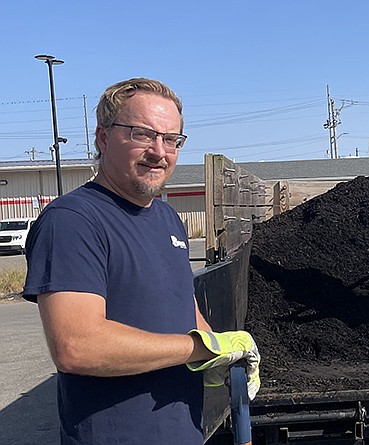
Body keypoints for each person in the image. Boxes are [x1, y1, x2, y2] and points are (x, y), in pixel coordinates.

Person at [23, 78, 259, 445]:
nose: (159, 151)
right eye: (143, 134)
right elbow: (77, 347)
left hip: (183, 431)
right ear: (102, 137)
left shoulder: (167, 219)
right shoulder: (73, 221)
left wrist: (219, 353)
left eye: (171, 140)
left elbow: (183, 306)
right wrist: (201, 349)